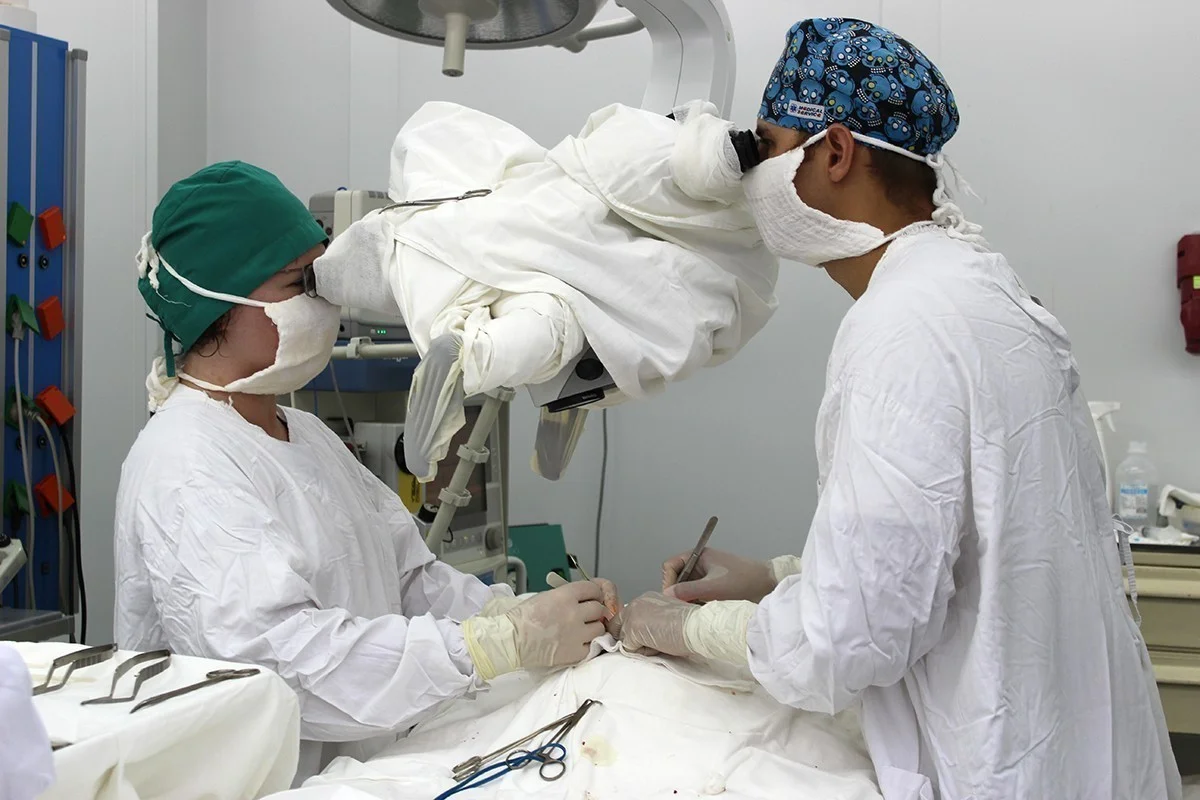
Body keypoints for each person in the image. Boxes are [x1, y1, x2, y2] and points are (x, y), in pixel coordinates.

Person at [619, 17, 1181, 800]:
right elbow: (973, 548)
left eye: (769, 148)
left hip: (997, 762)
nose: (753, 180)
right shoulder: (984, 291)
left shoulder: (902, 325)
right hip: (1079, 750)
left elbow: (847, 642)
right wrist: (775, 579)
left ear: (835, 152)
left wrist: (683, 627)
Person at [114, 161, 618, 786]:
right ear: (218, 306)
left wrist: (520, 614)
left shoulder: (305, 434)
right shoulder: (186, 463)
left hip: (359, 768)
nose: (323, 300)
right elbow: (280, 664)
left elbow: (410, 578)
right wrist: (491, 647)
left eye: (322, 275)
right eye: (299, 283)